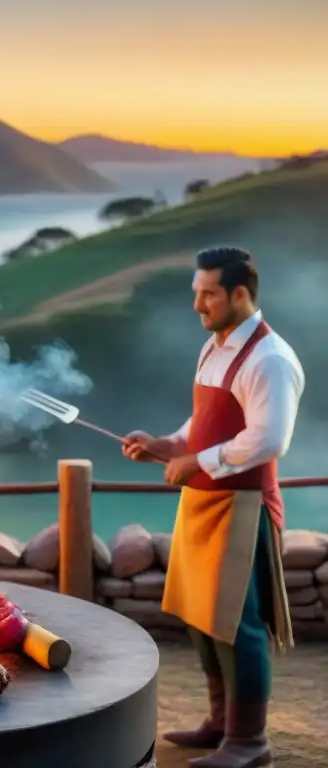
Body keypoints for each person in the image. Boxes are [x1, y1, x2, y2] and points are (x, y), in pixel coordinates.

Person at [123, 246, 303, 768]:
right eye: (196, 293)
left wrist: (194, 461)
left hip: (241, 507)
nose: (198, 305)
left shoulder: (270, 360)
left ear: (240, 295)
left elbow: (269, 440)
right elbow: (202, 418)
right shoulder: (215, 346)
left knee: (235, 624)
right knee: (200, 618)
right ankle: (219, 723)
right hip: (202, 502)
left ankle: (249, 742)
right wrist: (165, 444)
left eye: (208, 295)